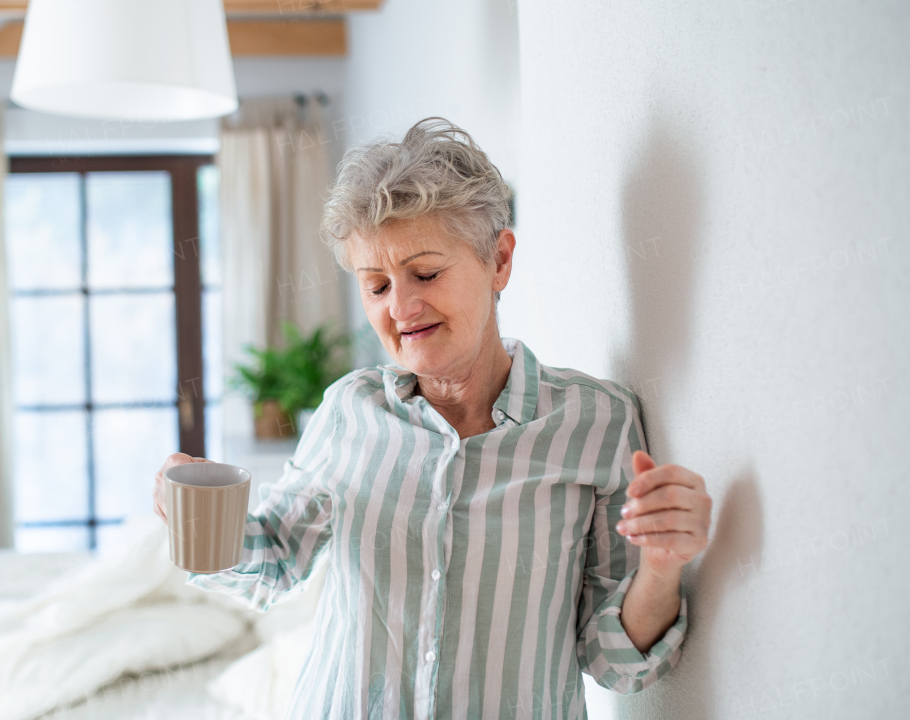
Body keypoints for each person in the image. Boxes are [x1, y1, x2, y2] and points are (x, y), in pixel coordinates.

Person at [152, 117, 711, 719]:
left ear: (499, 261)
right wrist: (197, 517)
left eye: (426, 273)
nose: (402, 307)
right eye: (375, 286)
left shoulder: (596, 422)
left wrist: (662, 565)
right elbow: (275, 564)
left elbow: (614, 662)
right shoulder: (349, 412)